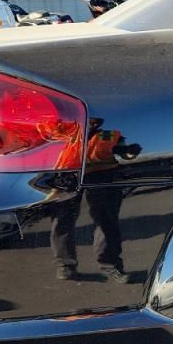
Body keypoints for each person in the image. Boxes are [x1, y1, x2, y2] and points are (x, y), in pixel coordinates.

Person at [50, 120, 140, 282]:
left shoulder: (110, 129)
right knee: (62, 219)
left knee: (107, 220)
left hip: (103, 173)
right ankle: (65, 265)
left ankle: (111, 265)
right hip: (67, 173)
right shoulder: (64, 123)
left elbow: (123, 152)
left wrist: (129, 151)